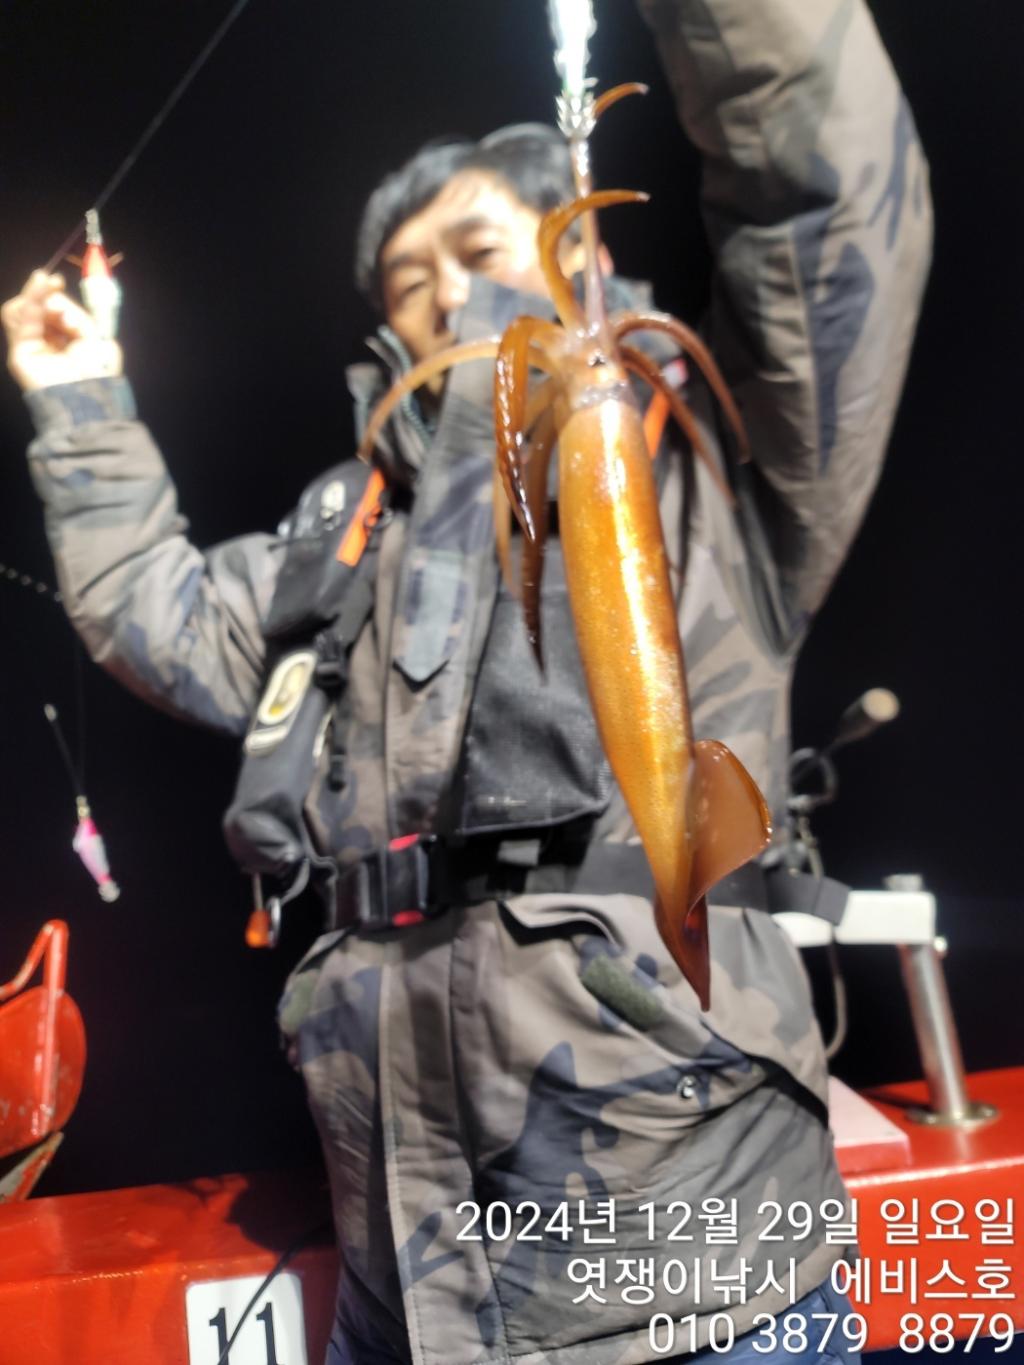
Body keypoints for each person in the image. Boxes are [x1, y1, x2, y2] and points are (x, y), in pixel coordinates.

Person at [2, 0, 931, 1361]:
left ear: (583, 258)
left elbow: (824, 202)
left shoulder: (711, 457)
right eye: (406, 277)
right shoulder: (342, 541)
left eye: (482, 250)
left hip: (697, 1290)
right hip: (404, 1299)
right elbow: (158, 614)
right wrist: (80, 398)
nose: (445, 292)